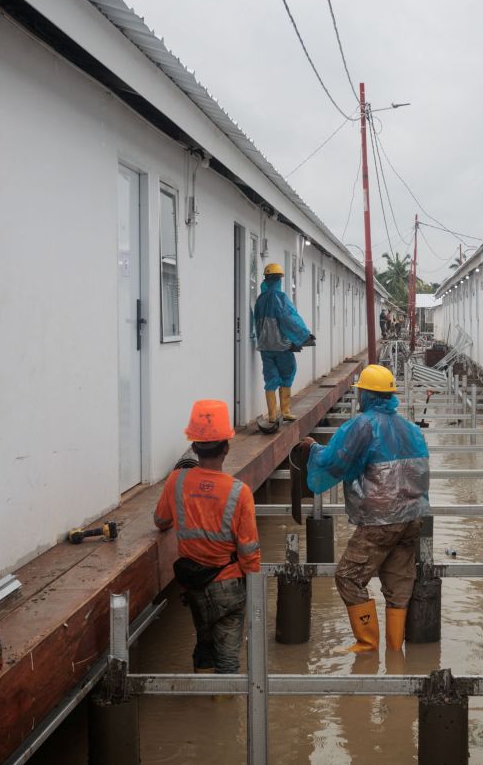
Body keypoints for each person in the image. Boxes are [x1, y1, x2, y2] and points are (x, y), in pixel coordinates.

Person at [300, 364, 429, 653]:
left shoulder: (363, 425)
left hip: (382, 521)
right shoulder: (409, 428)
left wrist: (312, 449)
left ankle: (368, 644)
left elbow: (335, 461)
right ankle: (396, 654)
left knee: (348, 576)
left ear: (367, 395)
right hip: (413, 518)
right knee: (398, 584)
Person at [154, 400, 261, 676]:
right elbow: (249, 549)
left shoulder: (176, 481)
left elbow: (161, 520)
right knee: (228, 660)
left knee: (204, 645)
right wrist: (254, 587)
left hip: (194, 583)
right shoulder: (239, 492)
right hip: (228, 583)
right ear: (226, 448)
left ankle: (205, 708)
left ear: (194, 447)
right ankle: (222, 712)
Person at [253, 263, 313, 426]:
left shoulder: (259, 300)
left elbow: (256, 324)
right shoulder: (280, 297)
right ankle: (285, 412)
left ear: (266, 279)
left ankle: (272, 416)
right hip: (282, 347)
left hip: (265, 347)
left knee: (270, 379)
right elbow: (289, 319)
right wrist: (304, 335)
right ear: (279, 279)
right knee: (287, 375)